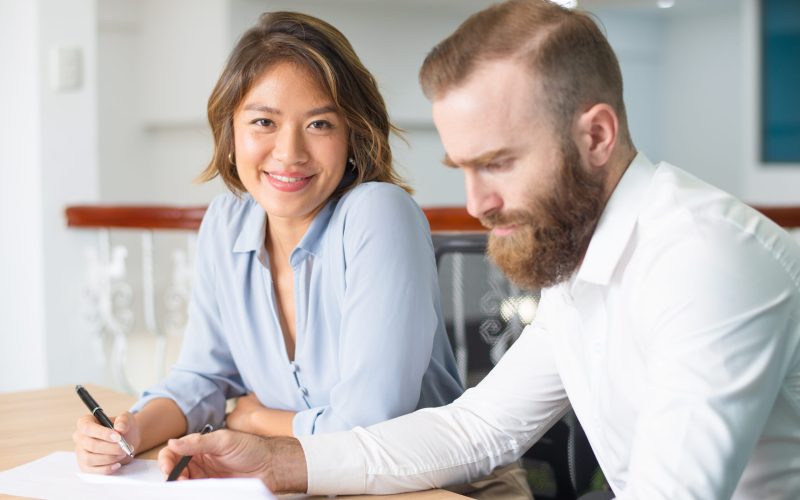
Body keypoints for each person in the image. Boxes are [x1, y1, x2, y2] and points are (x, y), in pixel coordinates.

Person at [155, 1, 800, 499]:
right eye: (463, 167)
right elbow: (478, 429)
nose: (476, 204)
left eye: (498, 163)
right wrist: (279, 459)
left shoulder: (703, 258)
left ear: (596, 136)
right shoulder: (585, 259)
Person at [72, 11, 463, 474]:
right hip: (304, 481)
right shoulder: (225, 222)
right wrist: (132, 430)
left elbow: (370, 427)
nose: (289, 152)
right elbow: (202, 378)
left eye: (319, 124)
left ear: (353, 136)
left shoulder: (379, 214)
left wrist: (255, 419)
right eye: (263, 122)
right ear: (230, 132)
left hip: (432, 487)